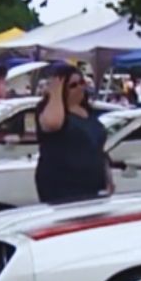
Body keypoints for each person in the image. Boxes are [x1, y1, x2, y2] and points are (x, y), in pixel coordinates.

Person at [35, 63, 110, 204]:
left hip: (93, 185)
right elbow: (52, 123)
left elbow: (99, 148)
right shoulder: (49, 110)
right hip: (62, 186)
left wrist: (107, 176)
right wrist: (55, 92)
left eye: (82, 83)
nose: (80, 88)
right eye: (73, 85)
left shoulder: (88, 112)